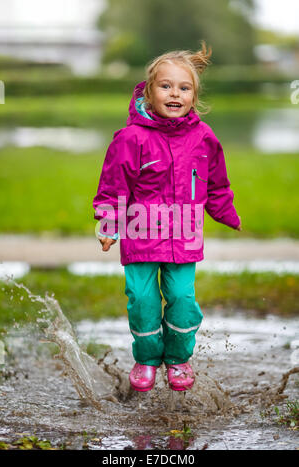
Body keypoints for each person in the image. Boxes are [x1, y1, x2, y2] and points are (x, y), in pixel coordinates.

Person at [93, 42, 241, 393]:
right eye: (166, 86)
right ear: (149, 91)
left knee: (182, 299)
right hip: (140, 234)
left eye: (184, 87)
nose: (175, 93)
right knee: (142, 300)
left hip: (184, 235)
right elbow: (114, 185)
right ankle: (146, 358)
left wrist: (225, 211)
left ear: (193, 95)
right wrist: (109, 224)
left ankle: (177, 359)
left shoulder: (203, 138)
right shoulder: (131, 138)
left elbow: (216, 181)